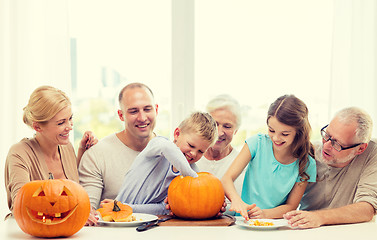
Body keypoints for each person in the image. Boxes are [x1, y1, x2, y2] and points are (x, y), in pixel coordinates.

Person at [101, 112, 218, 215]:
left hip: (144, 221)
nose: (193, 153)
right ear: (177, 134)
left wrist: (128, 208)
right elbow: (167, 148)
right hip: (115, 214)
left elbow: (165, 208)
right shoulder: (158, 145)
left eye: (201, 151)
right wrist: (191, 176)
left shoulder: (193, 172)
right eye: (191, 145)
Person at [4, 85, 97, 216]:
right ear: (37, 127)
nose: (70, 127)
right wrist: (74, 214)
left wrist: (83, 151)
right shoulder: (19, 153)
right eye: (61, 123)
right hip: (28, 234)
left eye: (70, 119)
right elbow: (21, 204)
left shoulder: (66, 147)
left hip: (68, 233)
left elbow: (70, 192)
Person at [222, 94, 316, 220]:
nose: (276, 138)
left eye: (285, 134)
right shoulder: (256, 143)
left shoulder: (306, 163)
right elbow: (226, 178)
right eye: (271, 130)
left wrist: (265, 214)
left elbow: (291, 206)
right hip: (244, 220)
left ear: (299, 132)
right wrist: (237, 201)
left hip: (275, 223)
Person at [78, 82, 158, 224]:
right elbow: (87, 210)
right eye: (133, 111)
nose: (142, 117)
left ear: (156, 110)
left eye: (147, 109)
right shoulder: (97, 155)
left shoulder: (172, 155)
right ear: (121, 115)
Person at [284, 107, 377, 229]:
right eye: (326, 135)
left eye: (337, 144)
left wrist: (319, 217)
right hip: (306, 230)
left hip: (348, 231)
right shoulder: (308, 153)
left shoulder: (372, 153)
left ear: (360, 148)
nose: (326, 146)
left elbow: (367, 209)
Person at [196, 94, 245, 214]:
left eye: (227, 126)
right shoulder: (191, 157)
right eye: (215, 124)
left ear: (236, 131)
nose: (219, 132)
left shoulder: (242, 163)